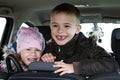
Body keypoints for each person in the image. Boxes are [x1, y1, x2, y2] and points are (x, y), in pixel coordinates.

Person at [41, 3, 119, 77]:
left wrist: (76, 67)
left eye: (66, 26)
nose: (60, 30)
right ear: (50, 27)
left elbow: (111, 64)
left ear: (77, 29)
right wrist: (44, 59)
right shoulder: (47, 48)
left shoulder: (88, 46)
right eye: (55, 25)